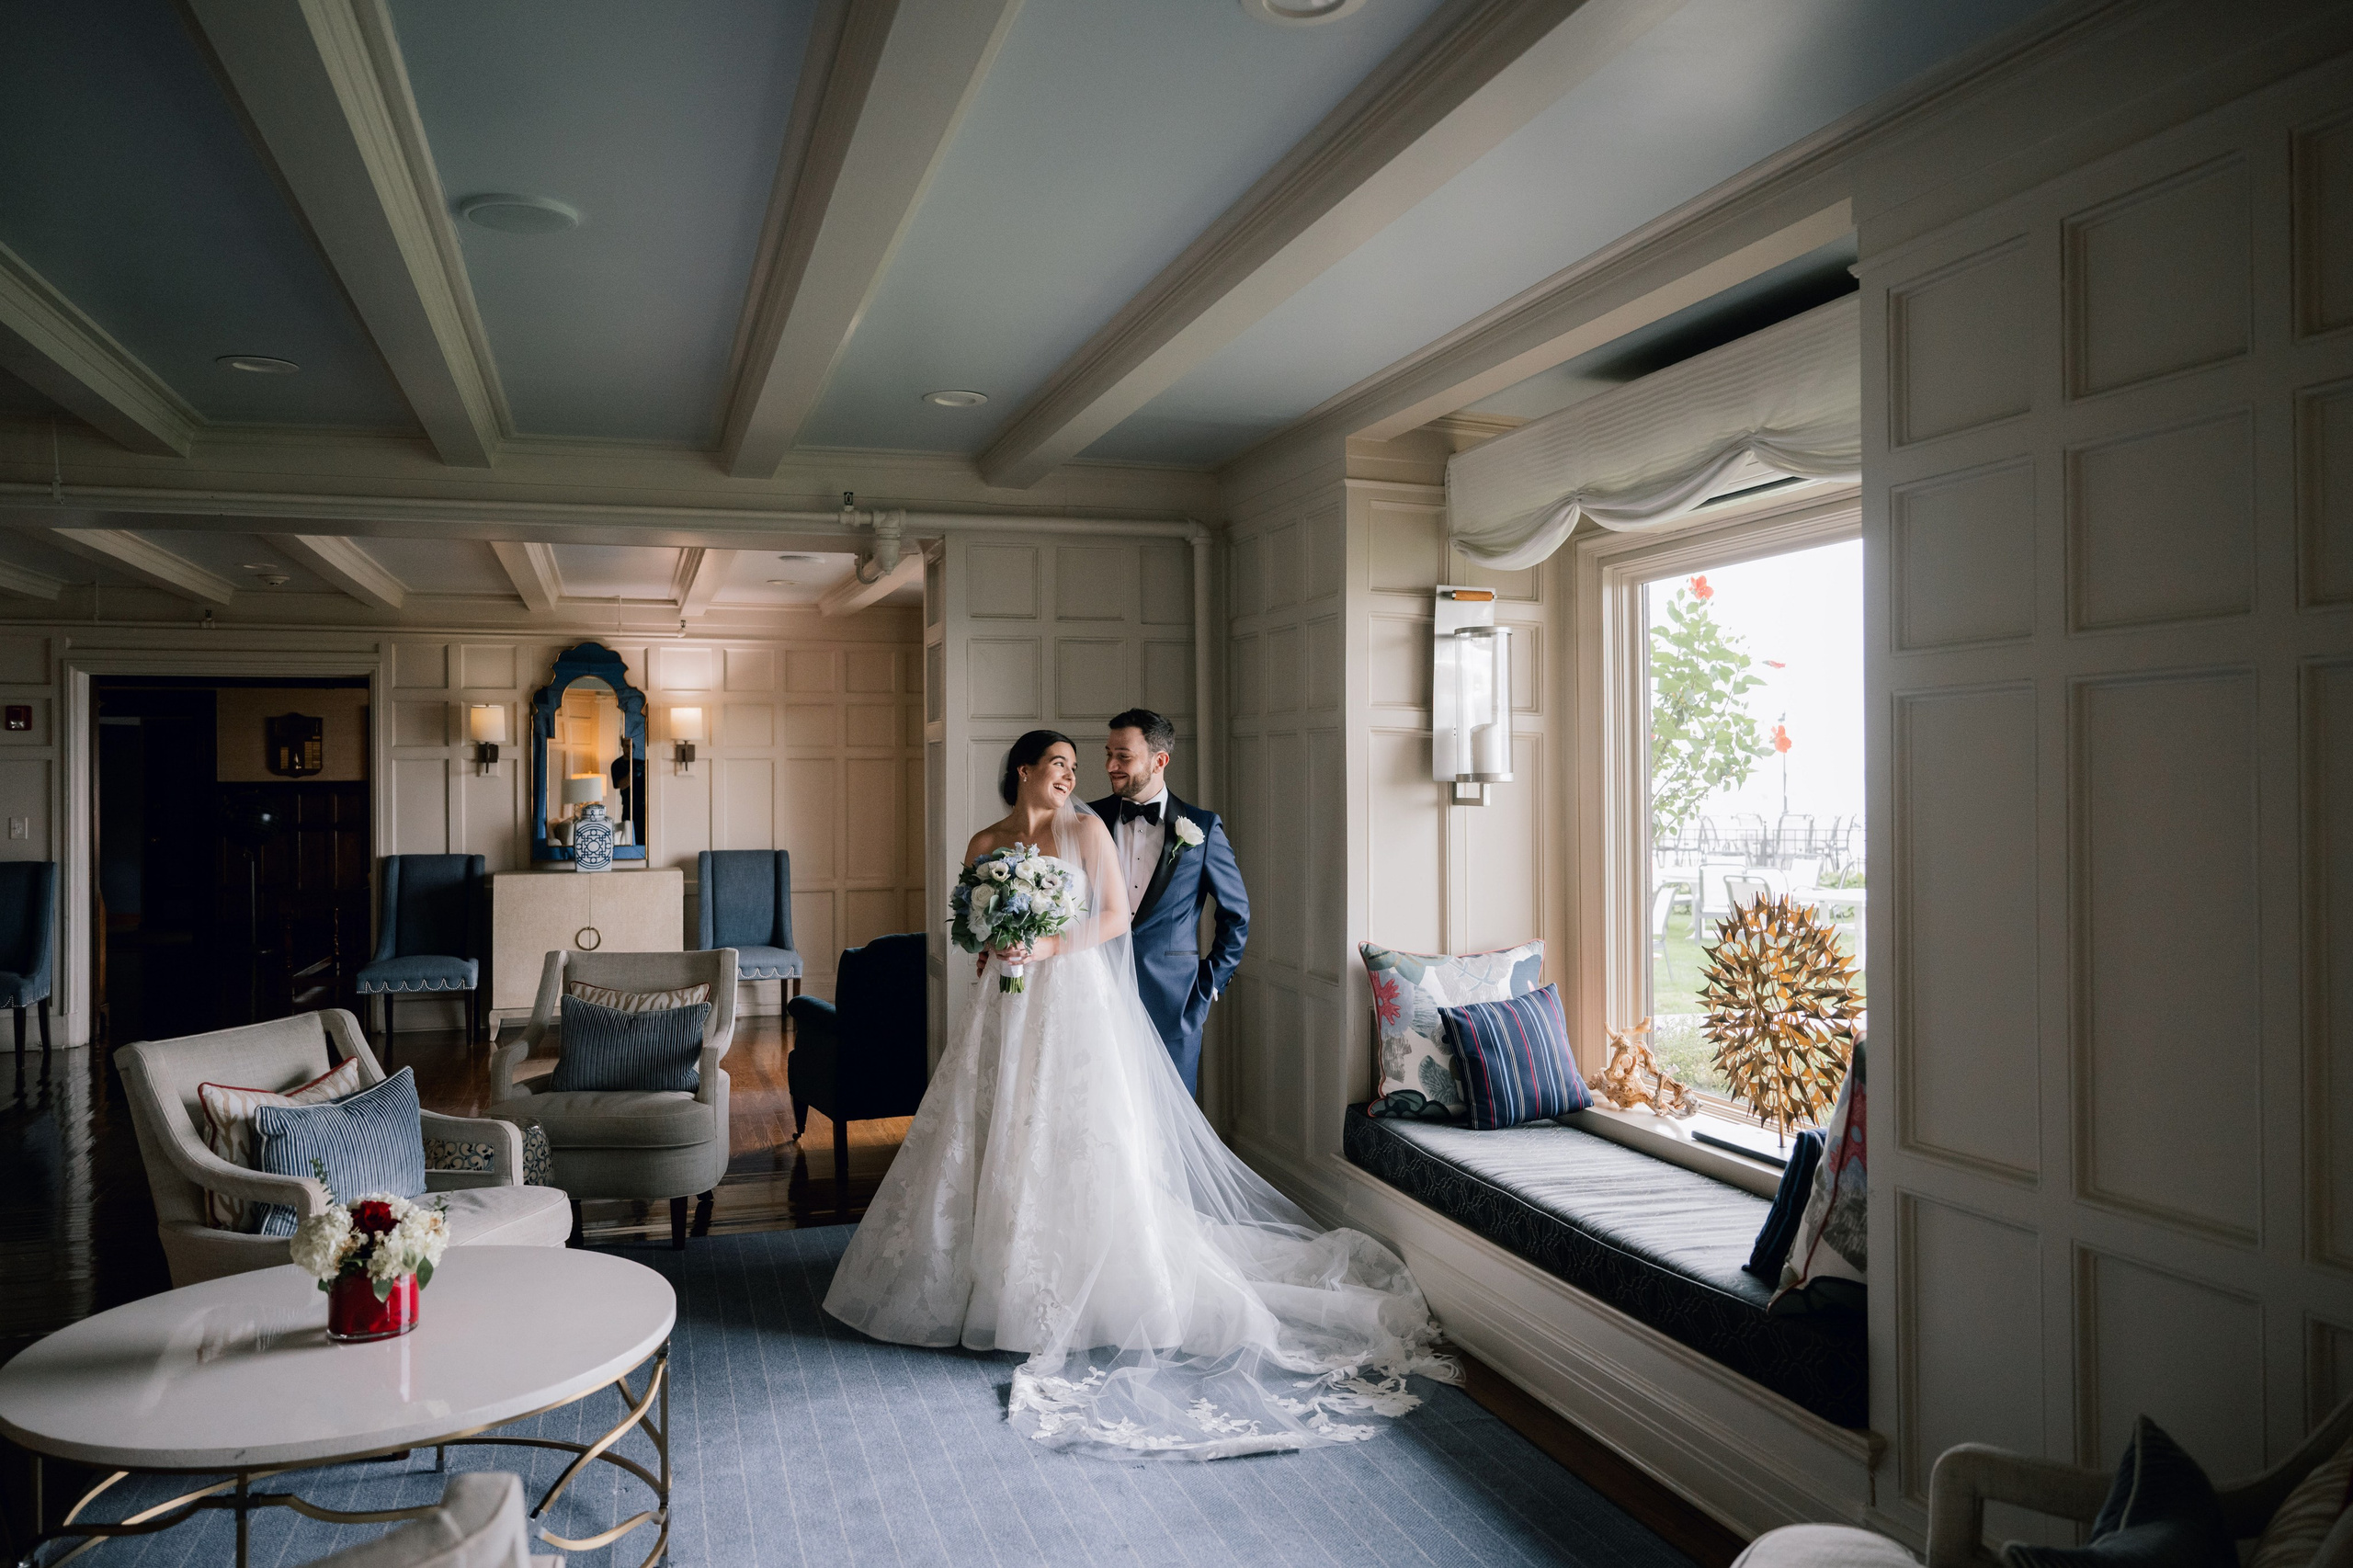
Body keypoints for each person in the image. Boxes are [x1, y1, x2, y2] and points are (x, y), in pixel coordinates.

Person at [823, 729, 1451, 1460]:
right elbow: (972, 924)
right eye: (1058, 763)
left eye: (1077, 766)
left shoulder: (1087, 828)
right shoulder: (983, 840)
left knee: (1077, 1132)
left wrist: (1046, 945)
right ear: (1023, 769)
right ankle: (979, 1273)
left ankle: (1077, 1284)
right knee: (991, 1125)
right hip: (1004, 1000)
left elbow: (1115, 918)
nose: (1072, 774)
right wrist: (993, 946)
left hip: (1072, 997)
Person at [1087, 708, 1246, 1096]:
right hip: (1094, 995)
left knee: (1168, 1129)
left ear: (1160, 761)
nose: (1111, 765)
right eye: (1109, 753)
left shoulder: (1202, 827)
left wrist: (1207, 987)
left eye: (1123, 756)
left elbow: (1235, 916)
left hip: (1174, 1005)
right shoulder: (1087, 819)